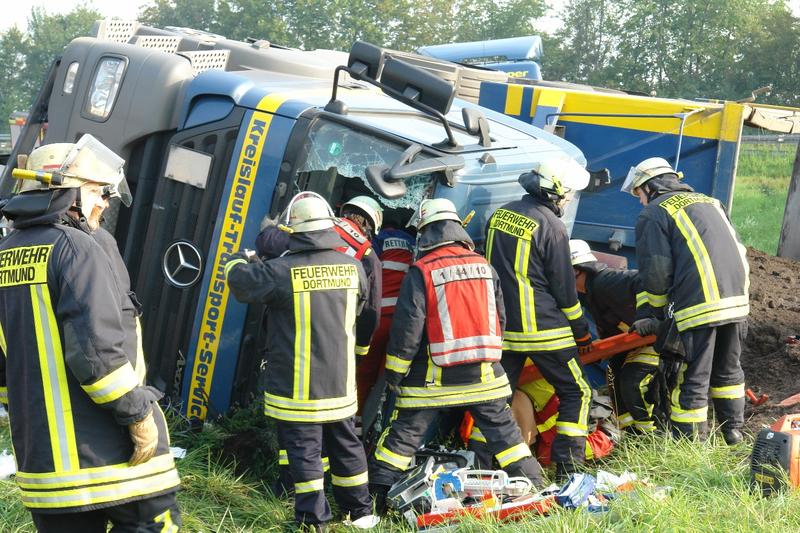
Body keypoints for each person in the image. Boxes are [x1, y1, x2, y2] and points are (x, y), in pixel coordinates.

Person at [0, 136, 181, 532]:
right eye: (98, 191)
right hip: (109, 454)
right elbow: (96, 354)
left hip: (46, 465)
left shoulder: (5, 253)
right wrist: (138, 415)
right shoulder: (76, 247)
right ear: (68, 192)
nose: (104, 202)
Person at [368, 198, 544, 507]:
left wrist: (395, 372)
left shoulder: (421, 271)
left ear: (426, 234)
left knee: (404, 437)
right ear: (457, 229)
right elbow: (500, 319)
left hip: (433, 382)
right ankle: (539, 490)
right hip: (485, 375)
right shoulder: (484, 266)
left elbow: (408, 328)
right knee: (507, 438)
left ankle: (375, 499)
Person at [226, 192, 379, 531]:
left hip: (298, 388)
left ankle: (313, 520)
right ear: (329, 227)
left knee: (304, 450)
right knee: (347, 444)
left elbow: (239, 283)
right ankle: (361, 513)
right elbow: (364, 313)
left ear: (293, 230)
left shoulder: (281, 271)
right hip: (340, 383)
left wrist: (238, 259)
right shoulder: (353, 267)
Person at [622, 157, 749, 444]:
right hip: (737, 299)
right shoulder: (711, 202)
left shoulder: (654, 213)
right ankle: (733, 433)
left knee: (692, 375)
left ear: (650, 187)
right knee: (729, 370)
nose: (640, 202)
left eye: (639, 195)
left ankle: (690, 445)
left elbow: (655, 272)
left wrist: (657, 315)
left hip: (699, 305)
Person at [484, 159, 593, 480]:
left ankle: (480, 463)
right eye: (569, 193)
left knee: (496, 401)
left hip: (503, 330)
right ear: (556, 193)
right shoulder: (552, 226)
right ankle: (569, 468)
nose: (570, 199)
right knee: (578, 392)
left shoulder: (499, 215)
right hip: (546, 331)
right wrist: (581, 330)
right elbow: (564, 288)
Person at [570, 239, 659, 433]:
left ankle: (651, 436)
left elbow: (643, 280)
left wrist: (647, 317)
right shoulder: (589, 293)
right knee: (614, 377)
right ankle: (630, 434)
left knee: (632, 381)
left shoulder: (605, 281)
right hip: (636, 342)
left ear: (577, 269)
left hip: (657, 337)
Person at [356, 221, 416, 414]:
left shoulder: (378, 241)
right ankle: (374, 426)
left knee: (364, 374)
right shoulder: (415, 244)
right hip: (402, 323)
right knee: (386, 382)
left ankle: (353, 422)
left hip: (378, 319)